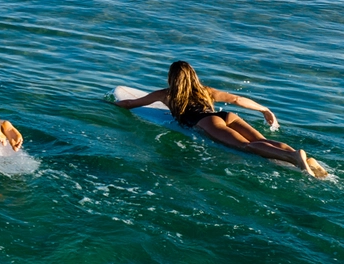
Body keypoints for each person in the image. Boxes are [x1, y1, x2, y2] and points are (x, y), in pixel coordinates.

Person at [114, 60, 328, 178]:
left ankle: (294, 157)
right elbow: (235, 99)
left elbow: (131, 103)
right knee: (261, 140)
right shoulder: (205, 90)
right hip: (226, 116)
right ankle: (297, 155)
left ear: (172, 78)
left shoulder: (167, 94)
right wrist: (264, 109)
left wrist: (108, 103)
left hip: (206, 122)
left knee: (246, 146)